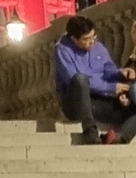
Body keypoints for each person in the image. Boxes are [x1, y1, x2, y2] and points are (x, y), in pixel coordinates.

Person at [53, 15, 136, 144]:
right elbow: (75, 81)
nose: (91, 41)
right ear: (74, 39)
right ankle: (90, 130)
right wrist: (111, 87)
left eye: (93, 36)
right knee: (80, 79)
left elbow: (109, 71)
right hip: (75, 102)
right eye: (86, 39)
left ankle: (120, 138)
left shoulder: (98, 48)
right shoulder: (63, 50)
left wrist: (121, 74)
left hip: (99, 101)